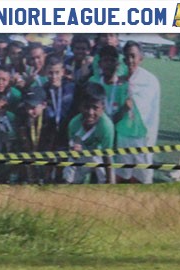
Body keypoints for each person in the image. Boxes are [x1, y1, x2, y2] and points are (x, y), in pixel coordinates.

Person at [115, 41, 160, 184]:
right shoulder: (119, 81)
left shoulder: (150, 81)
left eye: (133, 56)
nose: (130, 61)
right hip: (124, 135)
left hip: (142, 136)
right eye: (126, 57)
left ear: (141, 58)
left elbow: (149, 108)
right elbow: (116, 108)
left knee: (143, 176)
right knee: (122, 174)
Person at [63, 84, 115, 184]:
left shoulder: (107, 126)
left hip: (99, 155)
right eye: (86, 107)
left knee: (106, 178)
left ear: (103, 107)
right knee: (69, 175)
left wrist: (110, 182)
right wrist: (74, 151)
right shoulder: (74, 124)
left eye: (95, 108)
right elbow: (73, 149)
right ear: (80, 106)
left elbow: (107, 156)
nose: (90, 112)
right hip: (82, 154)